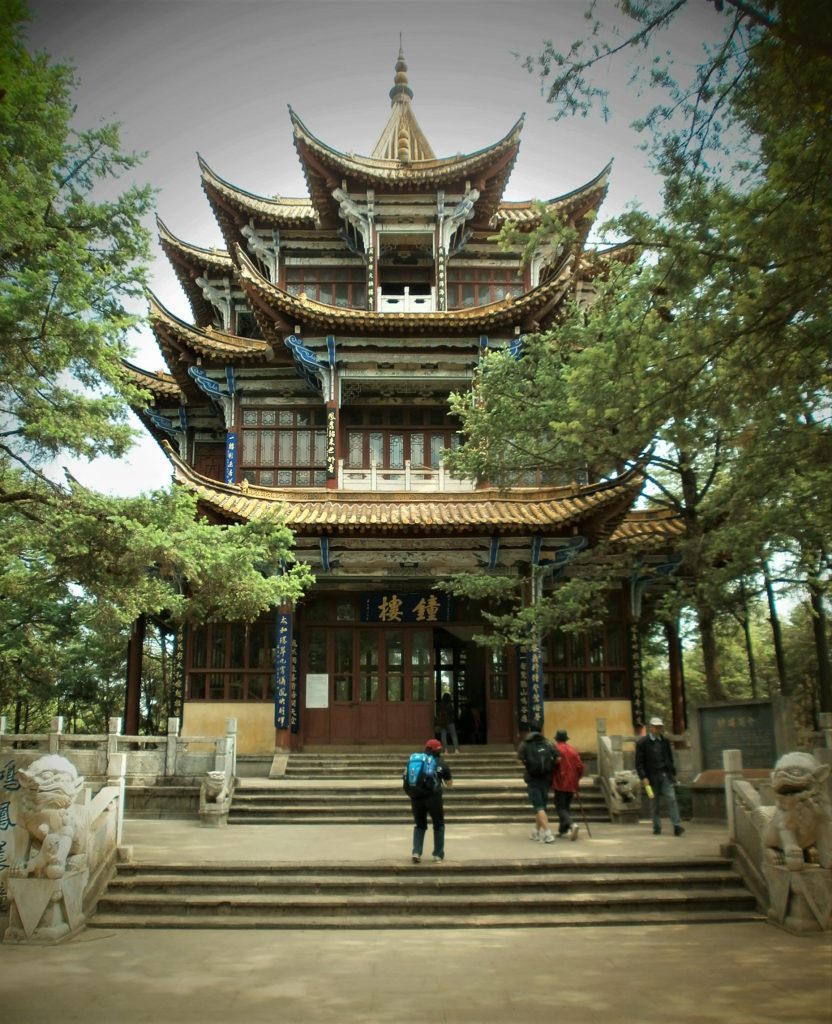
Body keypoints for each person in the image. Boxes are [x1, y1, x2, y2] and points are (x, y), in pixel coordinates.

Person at [403, 738, 453, 863]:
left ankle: (416, 852)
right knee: (439, 825)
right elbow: (449, 784)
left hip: (416, 797)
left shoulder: (414, 760)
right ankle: (437, 855)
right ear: (437, 750)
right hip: (433, 799)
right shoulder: (441, 763)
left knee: (420, 825)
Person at [635, 716, 685, 836]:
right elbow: (639, 763)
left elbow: (669, 758)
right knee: (654, 802)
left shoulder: (665, 742)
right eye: (656, 727)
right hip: (650, 778)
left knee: (671, 799)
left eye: (660, 727)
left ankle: (677, 825)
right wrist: (643, 777)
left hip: (665, 774)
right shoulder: (643, 743)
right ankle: (657, 826)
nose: (658, 730)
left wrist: (672, 773)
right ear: (651, 728)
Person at [517, 722, 558, 843]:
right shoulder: (548, 742)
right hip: (546, 779)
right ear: (541, 730)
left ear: (530, 730)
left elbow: (519, 760)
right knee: (541, 807)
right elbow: (558, 758)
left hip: (533, 778)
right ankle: (536, 831)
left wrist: (528, 765)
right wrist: (549, 767)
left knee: (539, 807)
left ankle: (547, 834)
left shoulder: (525, 744)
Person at [552, 729, 584, 840]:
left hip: (560, 781)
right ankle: (562, 830)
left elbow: (552, 765)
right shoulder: (573, 750)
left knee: (560, 807)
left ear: (557, 739)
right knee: (566, 807)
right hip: (572, 782)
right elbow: (580, 767)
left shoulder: (556, 749)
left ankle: (571, 825)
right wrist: (577, 778)